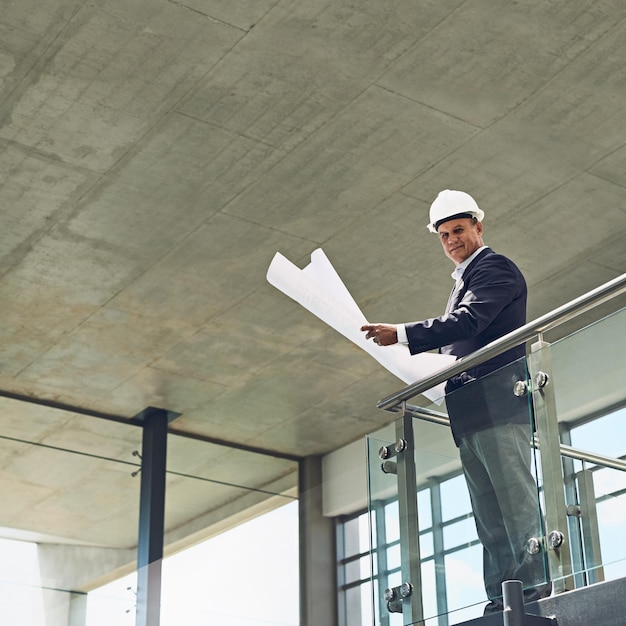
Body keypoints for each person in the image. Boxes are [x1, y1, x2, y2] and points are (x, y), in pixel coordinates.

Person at [361, 189, 550, 614]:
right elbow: (464, 339)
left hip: (501, 406)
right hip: (470, 414)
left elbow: (470, 321)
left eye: (459, 230)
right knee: (489, 518)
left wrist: (404, 334)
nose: (452, 240)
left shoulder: (495, 269)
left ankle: (534, 593)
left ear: (478, 227)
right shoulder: (465, 279)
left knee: (515, 508)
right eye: (444, 234)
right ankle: (502, 601)